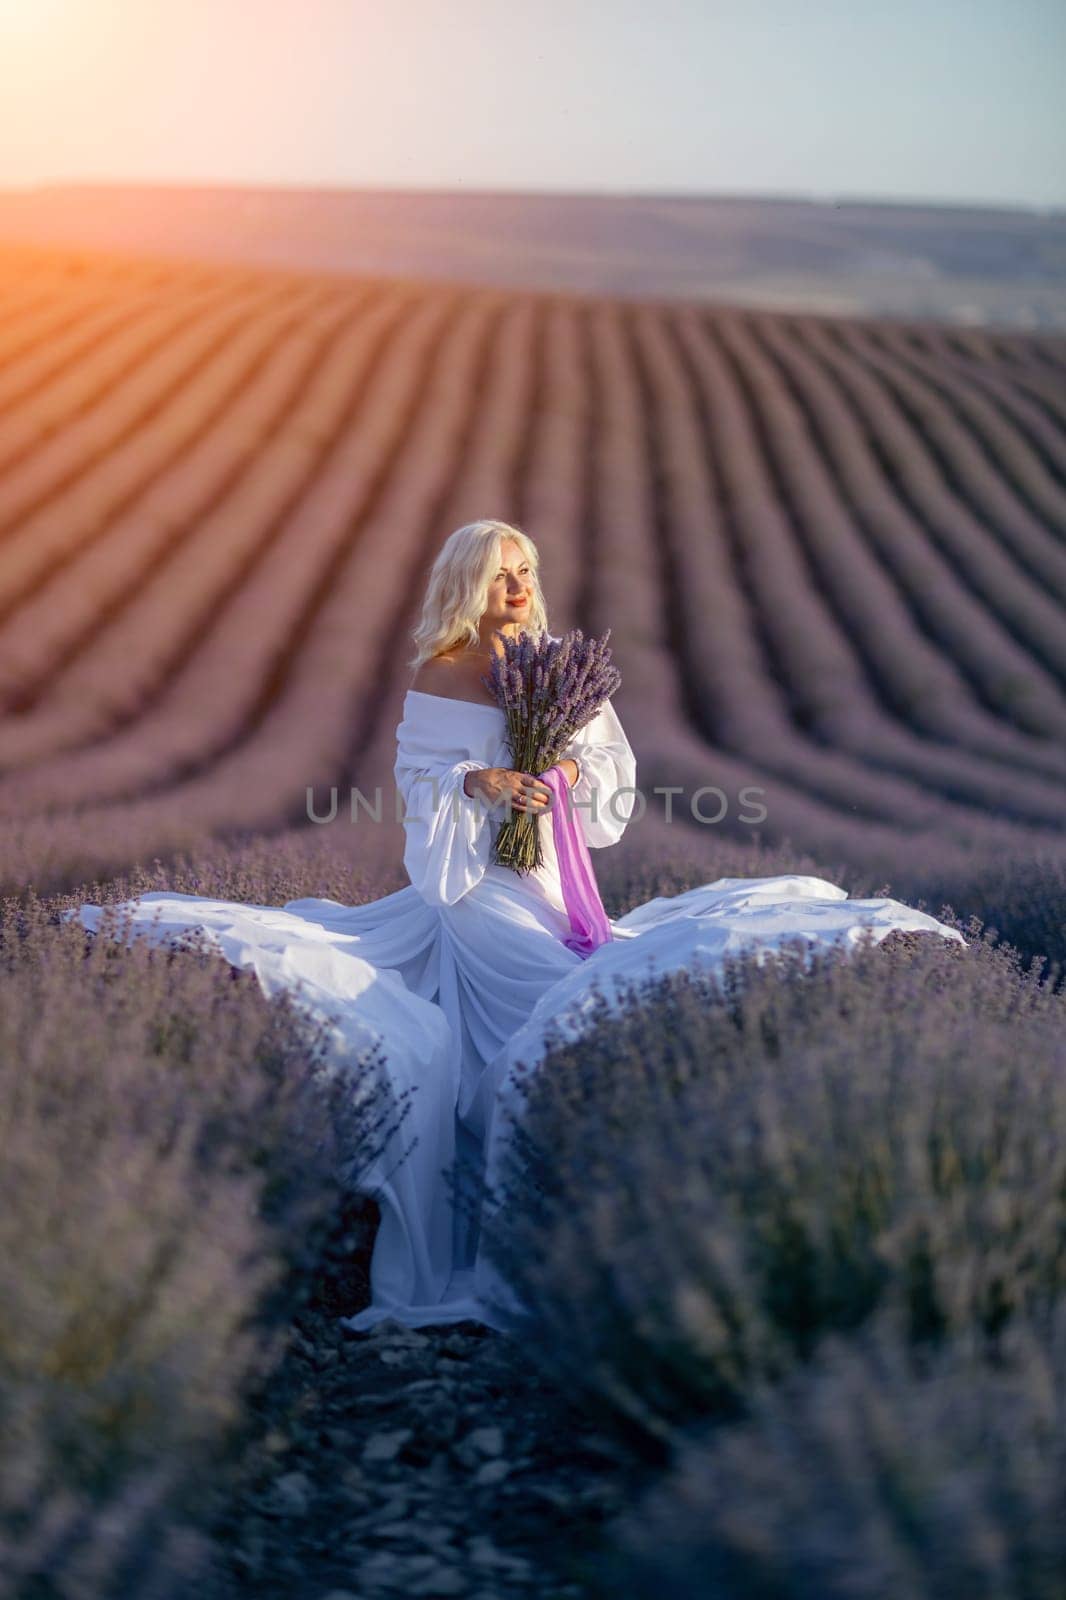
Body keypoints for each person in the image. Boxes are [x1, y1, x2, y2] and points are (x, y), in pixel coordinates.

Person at [66, 518, 967, 1334]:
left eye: (527, 569)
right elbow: (418, 785)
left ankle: (560, 1221)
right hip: (476, 889)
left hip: (546, 877)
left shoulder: (556, 665)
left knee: (577, 1000)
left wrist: (563, 778)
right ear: (468, 584)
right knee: (550, 1016)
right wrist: (481, 783)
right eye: (501, 574)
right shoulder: (444, 671)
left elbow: (614, 780)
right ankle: (512, 1226)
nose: (519, 585)